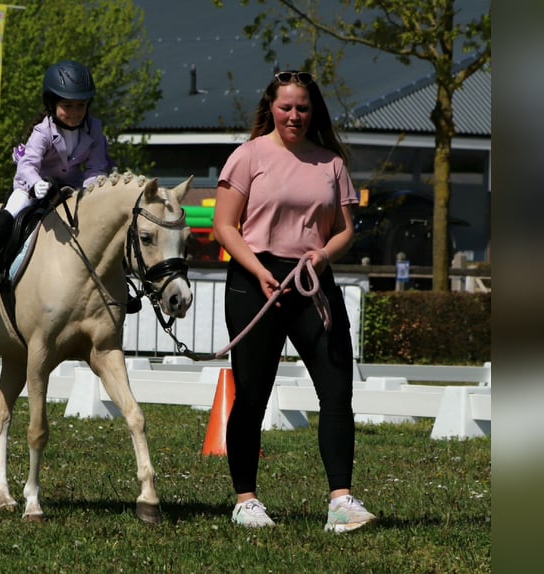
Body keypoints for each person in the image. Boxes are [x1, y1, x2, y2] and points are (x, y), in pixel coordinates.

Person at [213, 70, 376, 532]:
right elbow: (226, 224)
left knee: (337, 390)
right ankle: (246, 499)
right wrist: (259, 269)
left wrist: (323, 256)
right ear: (272, 108)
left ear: (313, 112)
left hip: (312, 279)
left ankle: (341, 501)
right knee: (251, 394)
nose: (295, 115)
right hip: (254, 278)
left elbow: (347, 229)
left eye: (303, 108)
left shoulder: (332, 164)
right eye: (286, 107)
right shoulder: (248, 156)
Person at [0, 60, 112, 302]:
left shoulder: (94, 128)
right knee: (11, 212)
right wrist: (34, 184)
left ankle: (118, 279)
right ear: (52, 104)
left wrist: (93, 186)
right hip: (33, 186)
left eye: (80, 106)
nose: (74, 113)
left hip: (72, 188)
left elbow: (96, 165)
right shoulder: (42, 131)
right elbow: (27, 165)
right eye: (67, 106)